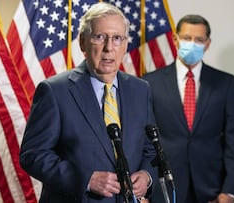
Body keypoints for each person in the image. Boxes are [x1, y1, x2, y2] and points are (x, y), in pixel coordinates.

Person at [19, 2, 157, 203]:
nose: (109, 48)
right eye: (99, 37)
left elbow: (150, 148)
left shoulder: (140, 89)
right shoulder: (55, 91)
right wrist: (86, 180)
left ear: (126, 44)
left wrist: (147, 176)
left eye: (117, 38)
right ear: (83, 43)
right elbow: (33, 155)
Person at [143, 14, 234, 203]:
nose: (193, 44)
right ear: (175, 39)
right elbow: (142, 140)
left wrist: (229, 192)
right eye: (187, 38)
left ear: (208, 44)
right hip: (162, 188)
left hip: (211, 190)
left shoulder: (225, 83)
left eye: (199, 40)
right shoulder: (149, 82)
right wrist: (142, 191)